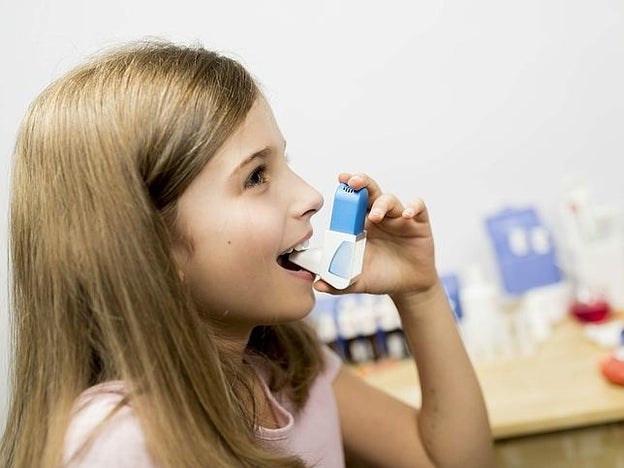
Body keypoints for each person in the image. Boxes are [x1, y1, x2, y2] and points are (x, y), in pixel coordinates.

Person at [0, 40, 495, 467]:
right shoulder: (117, 441)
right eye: (256, 176)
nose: (310, 196)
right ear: (148, 245)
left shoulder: (286, 366)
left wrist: (419, 292)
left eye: (285, 162)